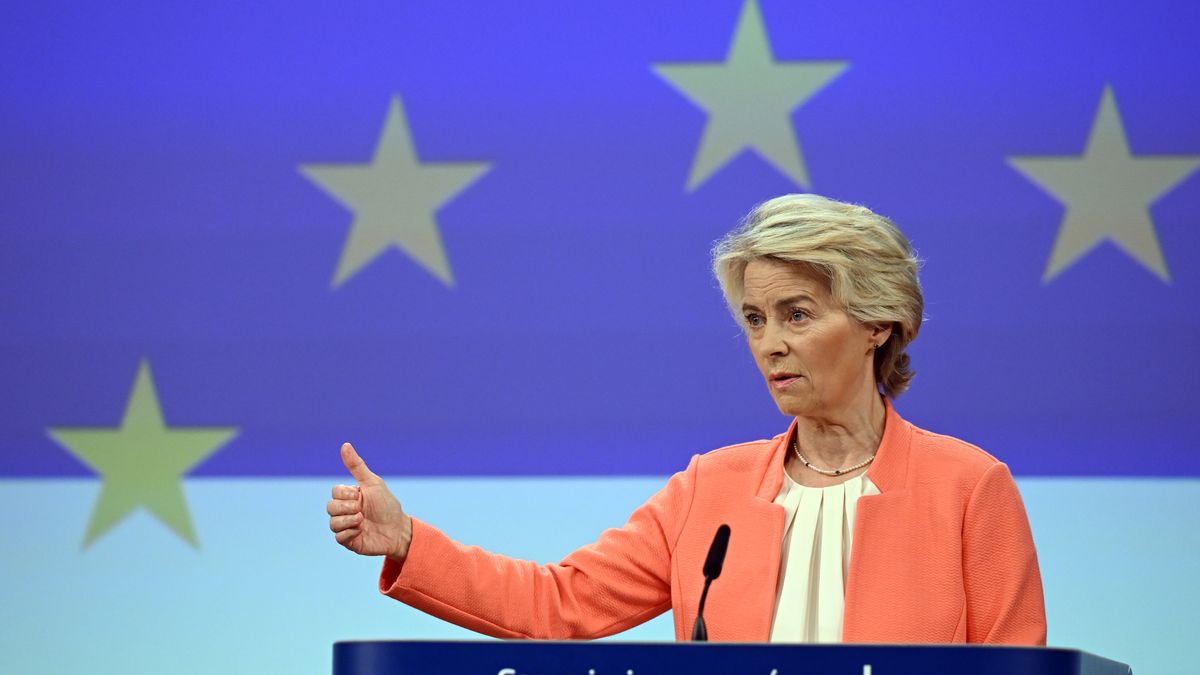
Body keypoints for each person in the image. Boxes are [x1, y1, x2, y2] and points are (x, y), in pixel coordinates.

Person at [326, 194, 1047, 644]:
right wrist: (411, 540)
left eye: (798, 313)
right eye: (755, 318)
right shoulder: (712, 489)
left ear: (878, 323)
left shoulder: (968, 487)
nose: (770, 342)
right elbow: (559, 601)